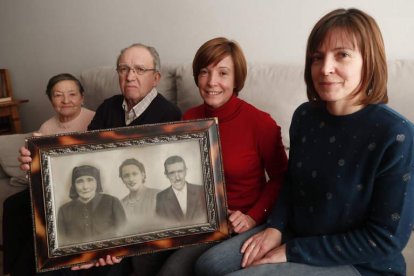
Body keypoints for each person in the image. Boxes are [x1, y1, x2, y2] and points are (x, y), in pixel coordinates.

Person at [195, 8, 414, 276]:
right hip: (295, 234)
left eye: (342, 55)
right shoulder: (305, 116)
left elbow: (386, 238)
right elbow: (290, 182)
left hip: (361, 262)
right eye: (317, 57)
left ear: (369, 61)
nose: (325, 69)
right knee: (208, 265)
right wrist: (275, 228)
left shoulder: (397, 134)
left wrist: (291, 251)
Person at [11, 43, 181, 275]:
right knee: (32, 220)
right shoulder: (108, 106)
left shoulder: (170, 115)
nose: (130, 76)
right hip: (98, 194)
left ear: (156, 77)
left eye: (140, 70)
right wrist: (37, 160)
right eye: (123, 69)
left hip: (130, 212)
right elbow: (83, 155)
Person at [151, 37, 288, 276]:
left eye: (223, 73)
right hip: (195, 221)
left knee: (173, 271)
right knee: (142, 260)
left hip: (239, 223)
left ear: (237, 79)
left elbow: (282, 178)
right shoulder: (187, 120)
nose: (212, 82)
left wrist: (254, 217)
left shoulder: (260, 123)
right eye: (204, 72)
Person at [3, 73, 95, 275]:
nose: (66, 100)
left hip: (80, 186)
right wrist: (29, 166)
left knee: (39, 216)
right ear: (50, 99)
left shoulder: (94, 120)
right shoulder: (46, 127)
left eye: (72, 94)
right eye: (58, 95)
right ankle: (11, 269)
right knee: (13, 204)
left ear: (82, 97)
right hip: (51, 186)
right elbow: (38, 169)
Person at [58, 165, 126, 245]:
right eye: (80, 181)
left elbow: (124, 234)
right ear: (74, 185)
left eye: (90, 180)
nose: (85, 187)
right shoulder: (64, 210)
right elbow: (62, 242)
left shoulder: (112, 202)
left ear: (97, 182)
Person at [155, 155, 207, 225]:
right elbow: (161, 224)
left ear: (186, 171)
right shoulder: (161, 198)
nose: (177, 177)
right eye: (172, 173)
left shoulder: (201, 190)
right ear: (166, 175)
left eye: (180, 171)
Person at [118, 158, 160, 232]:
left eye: (134, 174)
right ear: (122, 180)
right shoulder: (120, 205)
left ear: (143, 175)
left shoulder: (159, 196)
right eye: (126, 176)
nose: (131, 179)